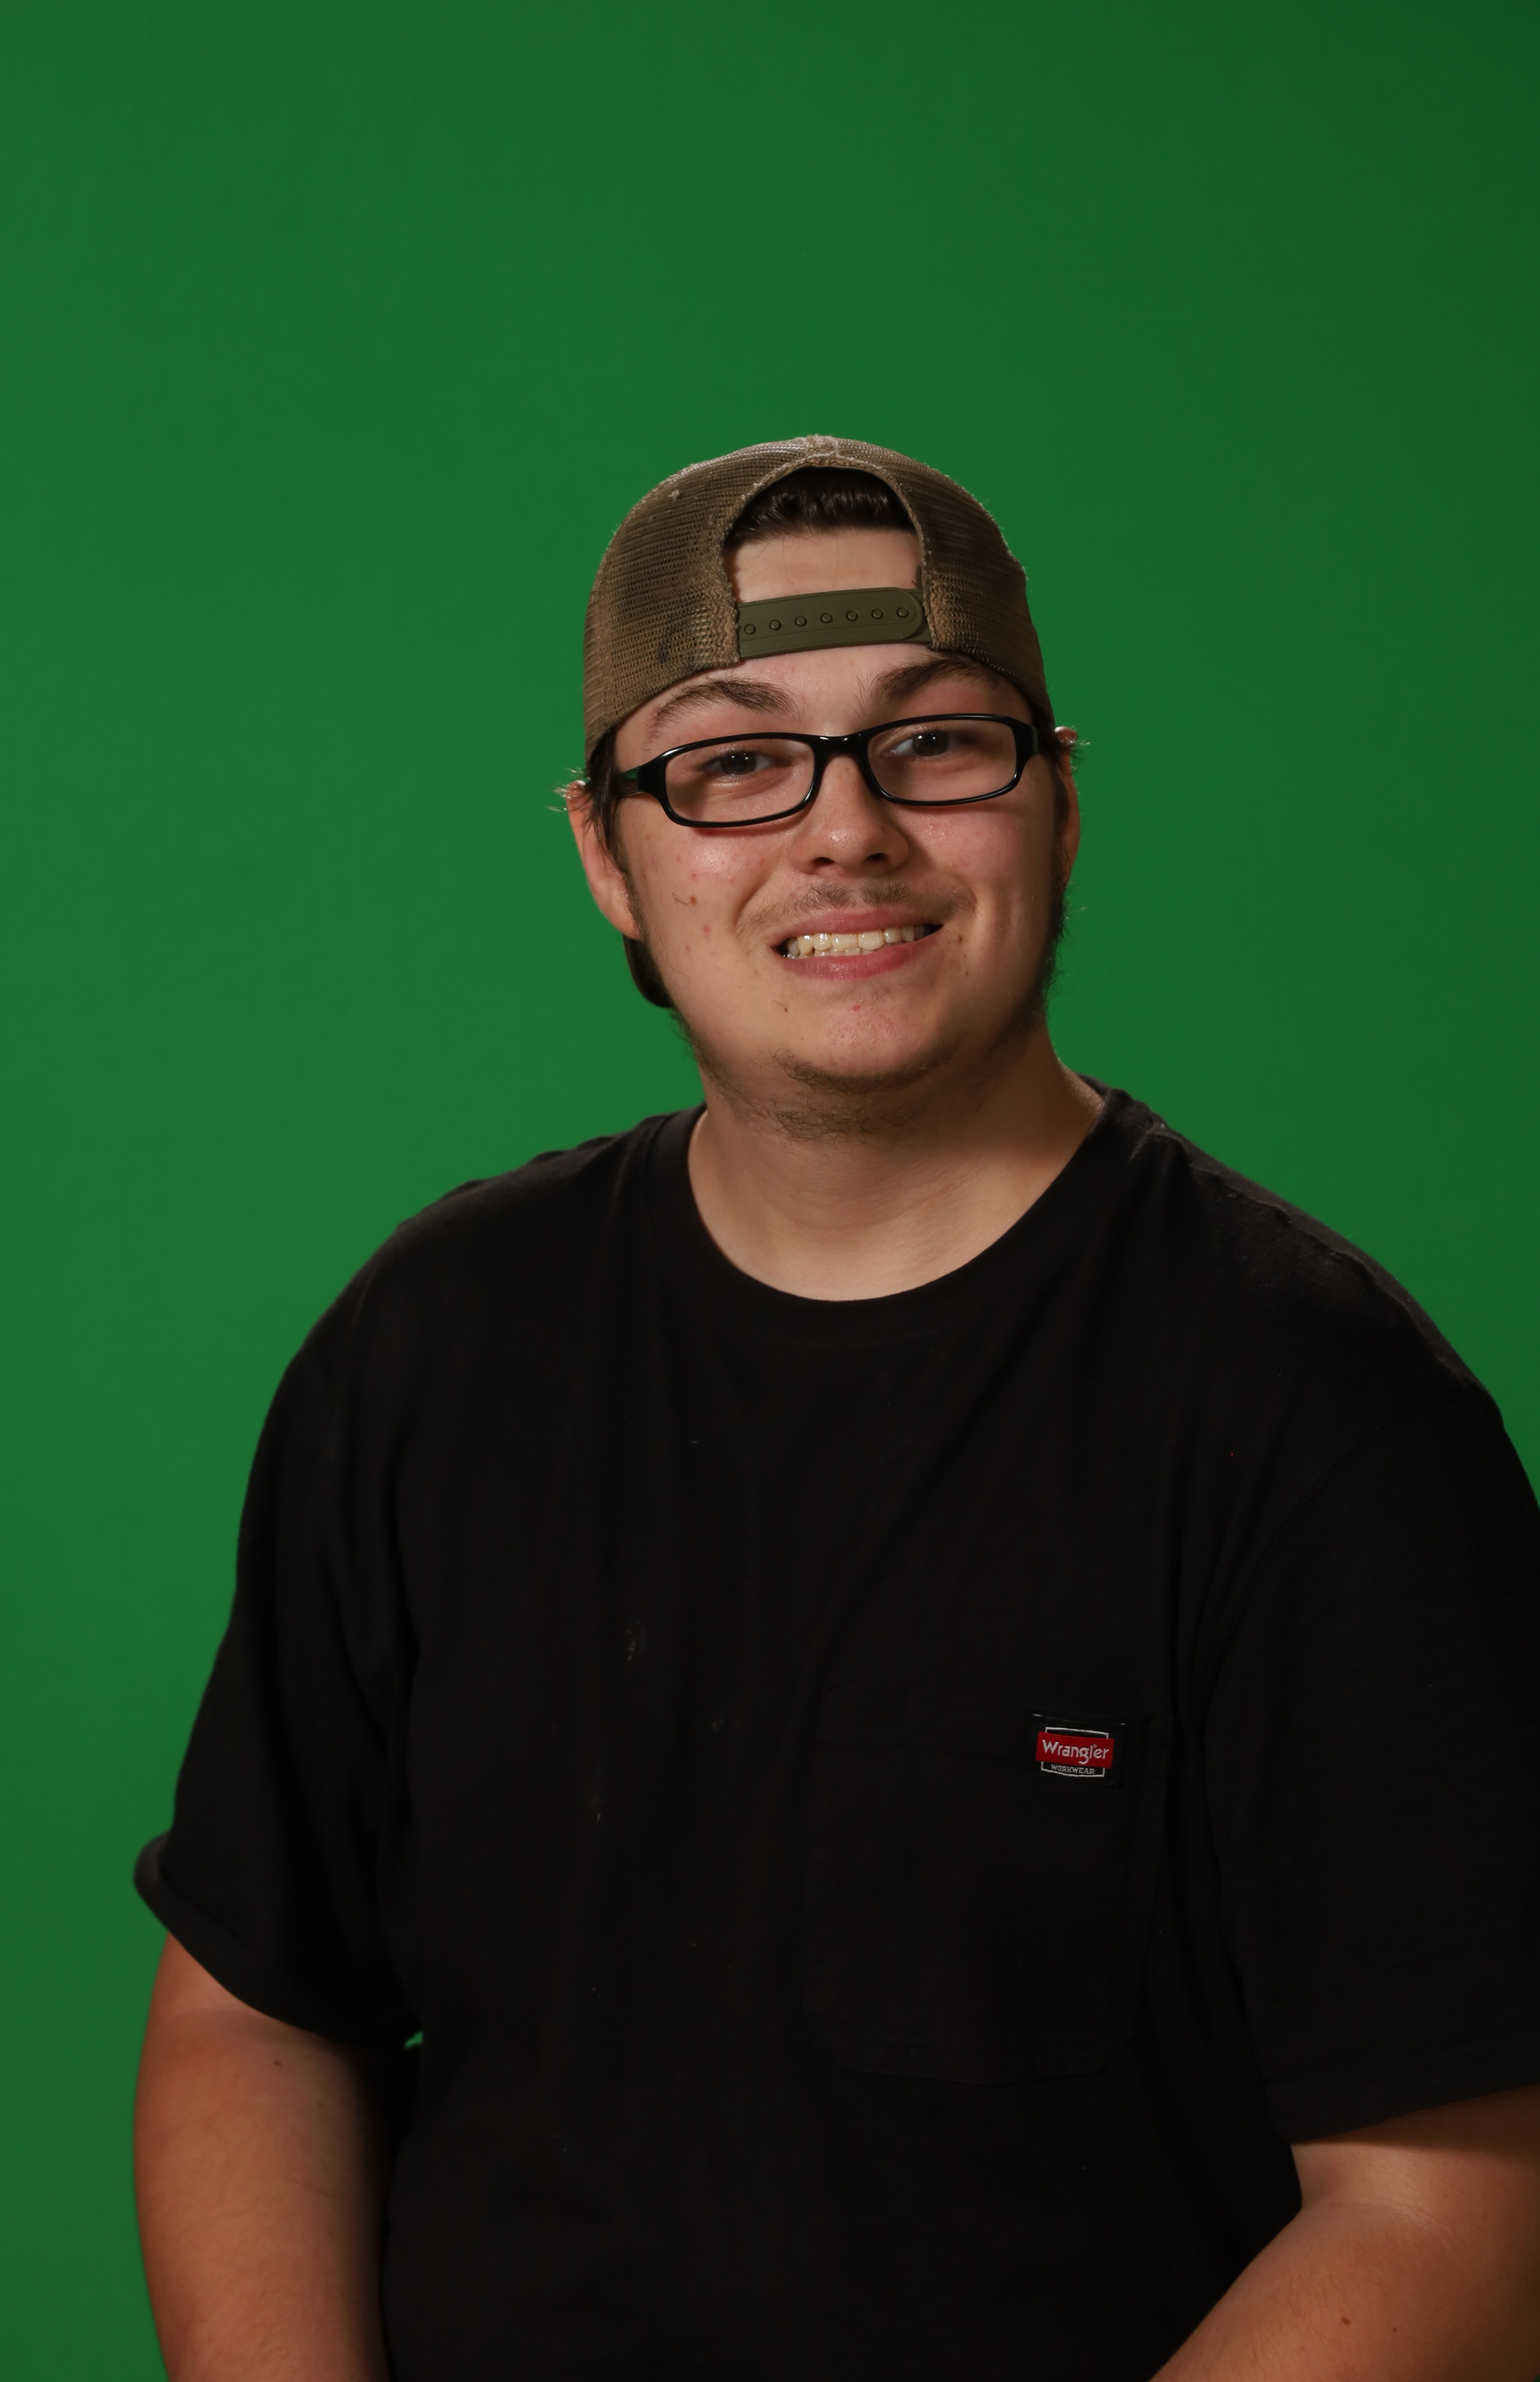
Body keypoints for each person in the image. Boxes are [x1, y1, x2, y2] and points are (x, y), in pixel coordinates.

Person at [133, 434, 1540, 2382]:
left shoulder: (1322, 1418)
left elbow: (1456, 2214)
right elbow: (253, 2015)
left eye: (936, 743)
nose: (845, 831)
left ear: (1059, 805)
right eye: (732, 763)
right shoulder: (433, 1348)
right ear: (610, 857)